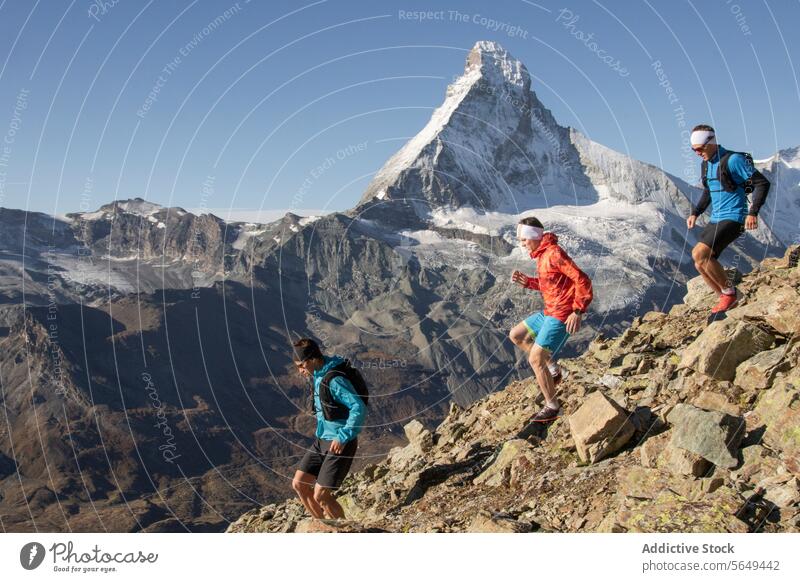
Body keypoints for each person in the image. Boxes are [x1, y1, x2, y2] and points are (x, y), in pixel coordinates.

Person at [509, 217, 593, 423]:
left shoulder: (554, 253)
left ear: (533, 237)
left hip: (562, 314)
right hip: (549, 312)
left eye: (523, 240)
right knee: (517, 335)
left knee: (535, 359)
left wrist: (578, 310)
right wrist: (528, 282)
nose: (522, 244)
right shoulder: (542, 255)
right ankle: (554, 369)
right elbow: (552, 284)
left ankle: (552, 406)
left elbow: (582, 279)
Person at [687, 124, 771, 313]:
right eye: (694, 150)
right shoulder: (706, 164)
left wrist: (753, 212)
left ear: (711, 142)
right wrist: (695, 212)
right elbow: (709, 191)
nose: (697, 153)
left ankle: (730, 293)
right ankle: (726, 300)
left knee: (701, 254)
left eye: (700, 149)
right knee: (699, 262)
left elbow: (762, 183)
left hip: (734, 216)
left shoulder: (734, 160)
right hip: (717, 218)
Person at [290, 338, 366, 519]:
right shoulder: (318, 374)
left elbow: (359, 407)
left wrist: (343, 436)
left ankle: (347, 533)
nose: (300, 371)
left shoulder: (334, 380)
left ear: (313, 359)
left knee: (321, 495)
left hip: (339, 442)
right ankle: (323, 527)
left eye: (301, 365)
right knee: (299, 484)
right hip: (322, 439)